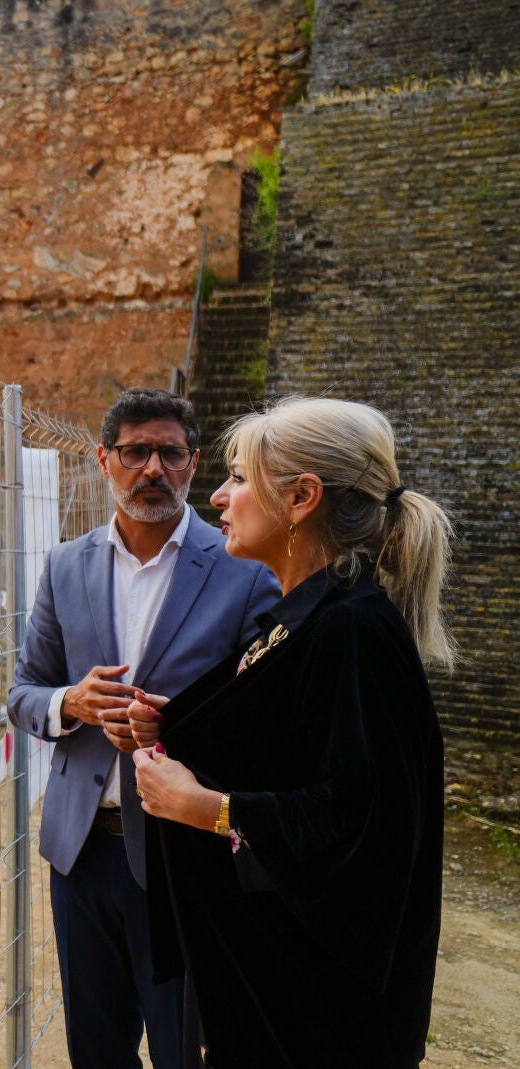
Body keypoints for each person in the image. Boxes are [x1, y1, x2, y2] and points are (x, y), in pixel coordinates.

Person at [130, 396, 451, 1068]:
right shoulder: (307, 615)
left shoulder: (354, 628)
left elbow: (359, 827)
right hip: (275, 997)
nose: (218, 495)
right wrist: (185, 729)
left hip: (320, 1021)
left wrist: (204, 806)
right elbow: (290, 747)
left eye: (240, 477)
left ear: (303, 497)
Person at [7, 387, 279, 1068]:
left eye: (171, 452)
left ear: (192, 463)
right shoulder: (65, 564)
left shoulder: (244, 569)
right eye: (136, 451)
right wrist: (70, 701)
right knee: (96, 1050)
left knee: (183, 1048)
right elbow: (22, 692)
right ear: (105, 459)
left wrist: (173, 727)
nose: (153, 468)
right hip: (81, 852)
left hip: (186, 854)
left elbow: (270, 716)